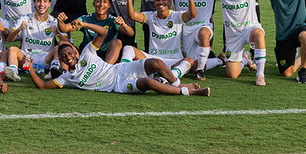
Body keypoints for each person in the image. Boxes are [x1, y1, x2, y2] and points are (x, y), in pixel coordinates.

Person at [28, 42, 210, 96]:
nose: (68, 57)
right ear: (61, 60)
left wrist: (83, 25)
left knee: (156, 63)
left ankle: (179, 84)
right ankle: (187, 92)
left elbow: (104, 34)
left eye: (69, 53)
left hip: (120, 70)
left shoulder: (87, 53)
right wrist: (30, 69)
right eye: (64, 56)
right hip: (118, 85)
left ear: (75, 52)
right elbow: (43, 86)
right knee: (148, 82)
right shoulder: (67, 77)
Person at [196, 0, 269, 85]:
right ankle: (245, 59)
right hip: (233, 36)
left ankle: (260, 74)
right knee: (232, 75)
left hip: (249, 29)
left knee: (259, 33)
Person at [155, 0, 223, 80]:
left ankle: (200, 71)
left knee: (204, 33)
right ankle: (219, 60)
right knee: (190, 65)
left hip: (203, 25)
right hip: (185, 28)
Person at [126, 0, 196, 66]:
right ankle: (122, 69)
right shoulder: (150, 16)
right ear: (154, 3)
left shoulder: (176, 16)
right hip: (154, 59)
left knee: (189, 61)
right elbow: (131, 16)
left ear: (169, 1)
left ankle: (172, 76)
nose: (161, 2)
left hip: (174, 60)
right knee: (128, 48)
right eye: (157, 0)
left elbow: (192, 14)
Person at [58, 0, 132, 63]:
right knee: (63, 42)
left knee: (117, 42)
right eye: (98, 1)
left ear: (109, 5)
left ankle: (105, 70)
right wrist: (60, 22)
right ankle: (64, 70)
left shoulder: (113, 20)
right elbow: (64, 28)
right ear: (93, 4)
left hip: (106, 56)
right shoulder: (85, 19)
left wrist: (124, 25)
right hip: (87, 55)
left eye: (105, 2)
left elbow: (130, 33)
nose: (101, 4)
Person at [5, 0, 65, 80]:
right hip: (26, 56)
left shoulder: (54, 21)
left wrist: (57, 33)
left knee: (58, 48)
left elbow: (66, 43)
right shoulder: (25, 18)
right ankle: (13, 72)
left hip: (45, 57)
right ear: (34, 3)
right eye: (39, 1)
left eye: (45, 1)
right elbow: (9, 39)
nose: (41, 4)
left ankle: (54, 70)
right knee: (13, 49)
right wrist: (19, 29)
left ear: (49, 4)